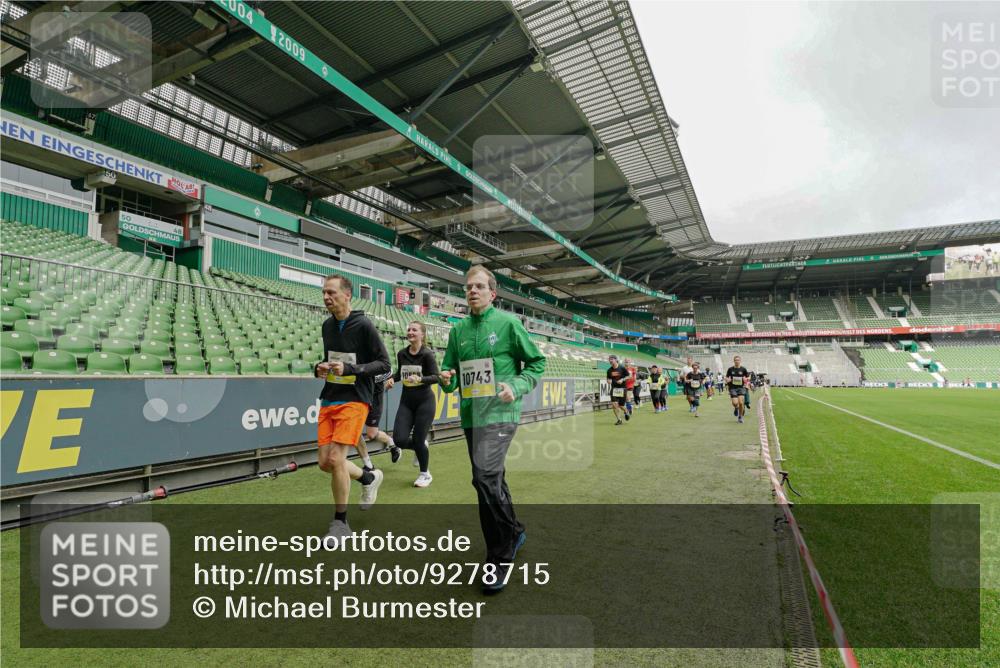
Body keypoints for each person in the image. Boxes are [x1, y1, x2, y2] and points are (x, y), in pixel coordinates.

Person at [439, 265, 546, 593]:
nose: (472, 291)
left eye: (479, 286)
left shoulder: (509, 323)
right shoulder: (457, 331)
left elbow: (537, 363)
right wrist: (447, 380)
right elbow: (450, 372)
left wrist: (516, 385)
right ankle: (513, 529)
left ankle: (499, 557)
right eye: (468, 286)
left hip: (502, 413)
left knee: (484, 476)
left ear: (492, 292)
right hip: (472, 415)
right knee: (492, 479)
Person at [314, 274, 390, 541]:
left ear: (347, 295)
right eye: (324, 292)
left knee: (336, 459)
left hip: (355, 398)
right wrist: (319, 368)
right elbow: (329, 359)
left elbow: (384, 365)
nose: (326, 297)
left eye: (331, 292)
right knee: (326, 463)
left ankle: (341, 524)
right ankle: (368, 479)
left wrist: (352, 369)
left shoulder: (364, 325)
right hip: (330, 398)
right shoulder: (326, 326)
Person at [385, 321, 438, 487]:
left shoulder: (427, 354)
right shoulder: (402, 354)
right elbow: (400, 373)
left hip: (425, 402)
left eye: (414, 330)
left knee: (418, 439)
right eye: (408, 329)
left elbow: (436, 377)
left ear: (422, 334)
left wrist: (420, 379)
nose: (410, 332)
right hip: (407, 402)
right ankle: (419, 446)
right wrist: (393, 378)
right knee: (399, 440)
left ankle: (425, 474)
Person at [357, 370, 396, 471]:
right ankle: (368, 465)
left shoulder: (379, 357)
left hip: (375, 399)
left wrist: (390, 380)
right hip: (358, 398)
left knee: (371, 434)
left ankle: (391, 443)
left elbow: (389, 372)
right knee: (355, 431)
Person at [726, 355, 751, 424]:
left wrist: (746, 379)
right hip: (733, 388)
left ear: (740, 361)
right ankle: (736, 408)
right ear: (734, 361)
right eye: (736, 360)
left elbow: (748, 378)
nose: (737, 361)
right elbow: (726, 378)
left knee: (741, 402)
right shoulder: (730, 369)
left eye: (738, 360)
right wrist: (728, 380)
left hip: (741, 387)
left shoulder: (743, 369)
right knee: (735, 403)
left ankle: (740, 417)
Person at [606, 355, 630, 424]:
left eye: (612, 359)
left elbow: (628, 376)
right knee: (614, 404)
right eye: (609, 359)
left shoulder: (622, 368)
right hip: (614, 389)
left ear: (616, 360)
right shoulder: (609, 370)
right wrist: (608, 381)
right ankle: (619, 420)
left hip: (622, 388)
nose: (610, 360)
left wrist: (622, 379)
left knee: (621, 405)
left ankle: (626, 411)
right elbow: (608, 378)